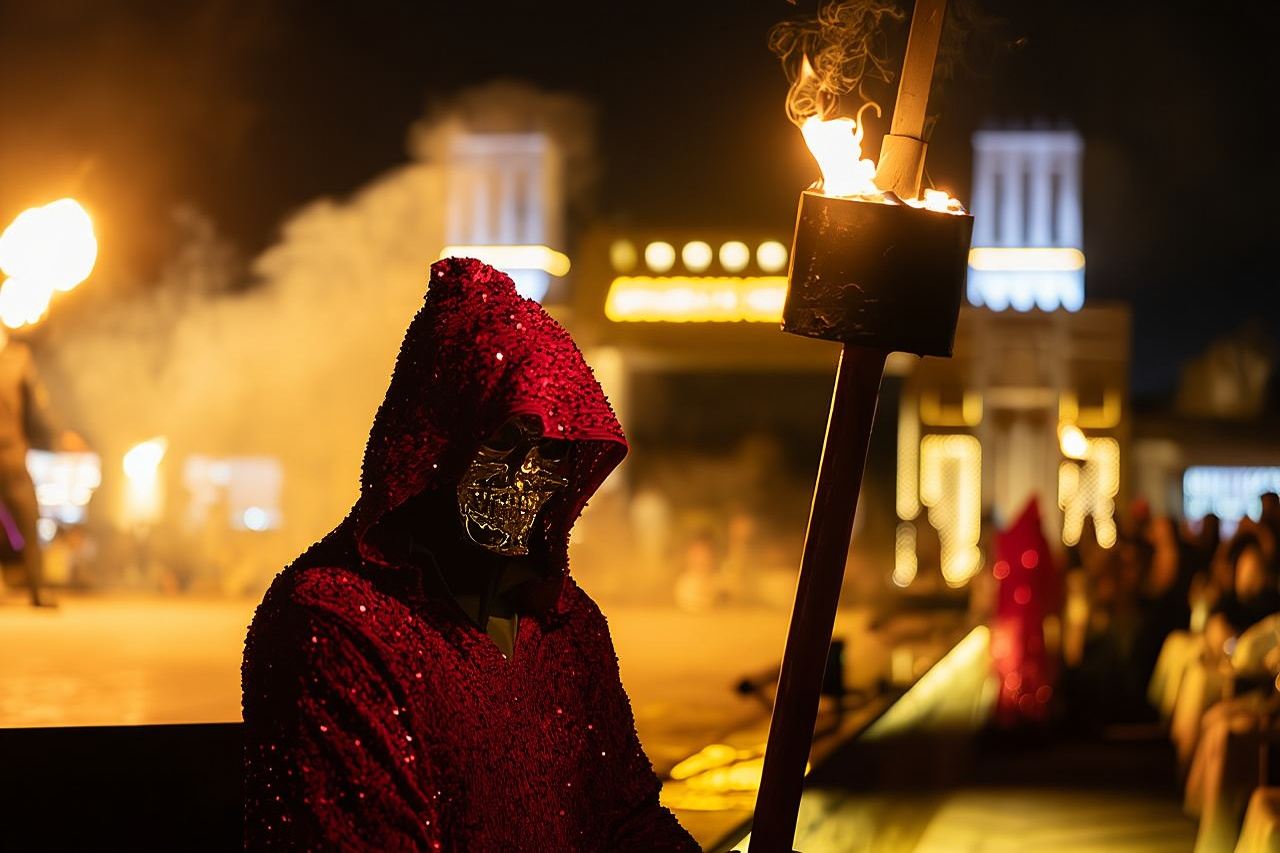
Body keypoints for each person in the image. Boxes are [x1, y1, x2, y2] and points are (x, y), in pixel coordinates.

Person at [242, 258, 699, 851]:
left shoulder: (568, 629)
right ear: (439, 439)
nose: (525, 478)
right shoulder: (336, 624)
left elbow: (627, 823)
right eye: (506, 441)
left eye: (553, 452)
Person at [0, 329, 86, 607]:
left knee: (27, 518)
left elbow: (38, 406)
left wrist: (59, 434)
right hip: (11, 453)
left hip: (10, 453)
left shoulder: (17, 358)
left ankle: (37, 590)